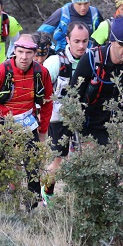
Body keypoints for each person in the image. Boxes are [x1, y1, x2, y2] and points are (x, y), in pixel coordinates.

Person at [0, 34, 53, 201]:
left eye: (28, 53)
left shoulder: (42, 73)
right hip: (3, 123)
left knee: (33, 167)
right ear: (14, 51)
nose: (24, 57)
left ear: (34, 53)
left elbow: (47, 102)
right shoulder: (1, 71)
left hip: (28, 124)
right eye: (20, 52)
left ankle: (31, 207)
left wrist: (43, 130)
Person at [69, 15, 123, 147]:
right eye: (122, 44)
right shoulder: (90, 60)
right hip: (91, 129)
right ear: (112, 41)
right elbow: (72, 99)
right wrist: (81, 137)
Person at [41, 21, 90, 200]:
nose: (81, 45)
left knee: (83, 158)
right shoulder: (55, 61)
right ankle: (47, 193)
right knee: (58, 160)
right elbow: (40, 90)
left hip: (84, 118)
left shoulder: (93, 60)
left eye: (85, 41)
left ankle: (80, 198)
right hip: (58, 119)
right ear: (68, 40)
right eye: (77, 41)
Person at [37, 0, 101, 52]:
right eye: (79, 4)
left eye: (86, 3)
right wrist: (52, 48)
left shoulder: (95, 13)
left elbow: (105, 34)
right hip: (63, 54)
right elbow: (40, 33)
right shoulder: (62, 13)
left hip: (88, 54)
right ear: (73, 2)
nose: (83, 8)